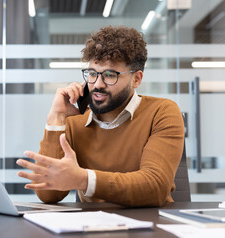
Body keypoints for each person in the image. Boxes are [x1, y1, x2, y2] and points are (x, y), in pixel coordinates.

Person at [16, 25, 185, 207]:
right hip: (89, 228)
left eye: (110, 75)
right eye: (92, 74)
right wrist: (56, 118)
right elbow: (48, 194)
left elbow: (155, 187)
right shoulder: (75, 120)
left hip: (150, 226)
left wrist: (84, 180)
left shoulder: (162, 112)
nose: (97, 84)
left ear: (136, 79)